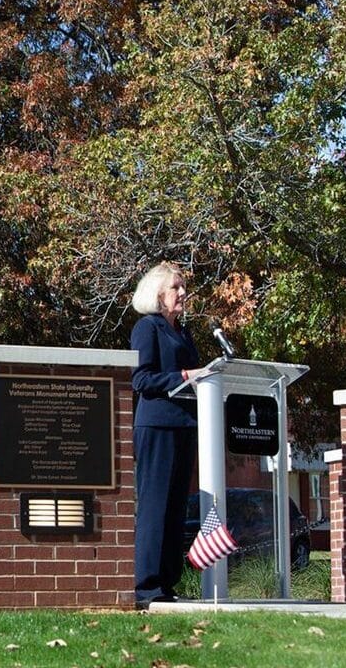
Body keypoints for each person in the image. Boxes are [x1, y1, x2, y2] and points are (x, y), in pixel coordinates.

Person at [130, 261, 209, 609]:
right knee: (155, 507)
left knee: (176, 508)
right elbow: (141, 380)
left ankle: (167, 583)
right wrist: (184, 375)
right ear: (158, 294)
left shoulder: (185, 333)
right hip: (157, 426)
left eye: (183, 287)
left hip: (185, 426)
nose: (182, 293)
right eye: (175, 287)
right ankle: (146, 587)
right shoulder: (147, 328)